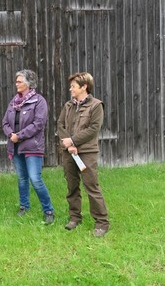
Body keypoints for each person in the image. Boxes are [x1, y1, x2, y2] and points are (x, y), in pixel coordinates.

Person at [57, 72, 109, 237]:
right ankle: (75, 217)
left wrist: (72, 141)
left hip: (86, 152)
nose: (70, 88)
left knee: (91, 186)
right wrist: (68, 144)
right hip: (69, 152)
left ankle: (102, 222)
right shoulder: (68, 105)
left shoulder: (96, 105)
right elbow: (60, 124)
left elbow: (93, 129)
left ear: (84, 87)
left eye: (73, 86)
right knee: (72, 186)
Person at [2, 69, 55, 224]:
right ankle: (24, 207)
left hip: (32, 146)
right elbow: (4, 122)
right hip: (15, 146)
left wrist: (20, 135)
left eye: (19, 81)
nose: (16, 84)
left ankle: (48, 210)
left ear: (28, 83)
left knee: (35, 179)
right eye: (16, 81)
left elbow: (38, 124)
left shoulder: (39, 101)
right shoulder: (14, 102)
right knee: (22, 179)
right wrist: (11, 134)